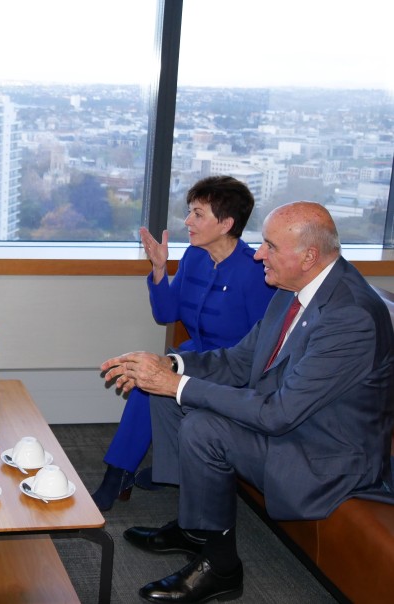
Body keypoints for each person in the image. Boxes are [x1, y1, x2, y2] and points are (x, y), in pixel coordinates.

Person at [101, 201, 394, 603]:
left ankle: (221, 568)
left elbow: (279, 414)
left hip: (326, 455)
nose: (258, 255)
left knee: (204, 425)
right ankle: (194, 527)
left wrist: (177, 384)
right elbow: (240, 360)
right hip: (293, 421)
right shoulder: (293, 289)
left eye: (270, 247)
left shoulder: (352, 317)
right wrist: (172, 364)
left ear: (308, 256)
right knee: (168, 397)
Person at [91, 176, 276, 511]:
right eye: (189, 212)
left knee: (148, 385)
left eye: (197, 214)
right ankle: (130, 474)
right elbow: (166, 312)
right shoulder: (195, 256)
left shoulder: (255, 273)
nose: (187, 221)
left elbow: (262, 348)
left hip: (232, 369)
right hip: (191, 356)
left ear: (226, 224)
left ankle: (122, 476)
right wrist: (160, 269)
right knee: (149, 378)